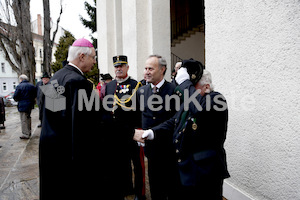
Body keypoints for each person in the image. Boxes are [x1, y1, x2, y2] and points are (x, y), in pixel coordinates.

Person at [134, 60, 230, 200]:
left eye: (193, 87)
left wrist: (185, 83)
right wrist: (151, 132)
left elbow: (200, 111)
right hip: (187, 171)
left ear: (207, 87)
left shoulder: (216, 100)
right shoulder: (190, 103)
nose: (188, 91)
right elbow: (173, 122)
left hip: (206, 172)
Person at [39, 38, 100, 200]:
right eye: (93, 57)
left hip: (51, 154)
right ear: (82, 57)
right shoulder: (78, 82)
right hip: (69, 159)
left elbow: (53, 119)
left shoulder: (56, 78)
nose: (94, 62)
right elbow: (87, 126)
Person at [137, 54, 180, 200]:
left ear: (162, 70)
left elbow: (177, 119)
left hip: (170, 150)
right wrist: (138, 133)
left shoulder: (174, 91)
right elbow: (138, 116)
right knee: (155, 189)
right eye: (145, 68)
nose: (146, 72)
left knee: (172, 190)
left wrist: (154, 132)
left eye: (151, 68)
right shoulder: (141, 91)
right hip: (151, 150)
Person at [103, 55, 144, 200]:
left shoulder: (135, 85)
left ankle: (140, 193)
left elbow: (140, 109)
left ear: (127, 67)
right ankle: (125, 188)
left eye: (121, 66)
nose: (118, 69)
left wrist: (140, 129)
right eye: (116, 66)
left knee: (138, 165)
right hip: (116, 133)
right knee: (120, 163)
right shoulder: (109, 86)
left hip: (133, 131)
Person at [13, 74, 36, 139]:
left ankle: (25, 133)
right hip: (30, 104)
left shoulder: (19, 86)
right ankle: (29, 131)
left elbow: (15, 96)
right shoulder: (31, 86)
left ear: (21, 79)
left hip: (22, 105)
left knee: (23, 120)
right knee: (28, 118)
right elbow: (35, 94)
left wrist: (18, 100)